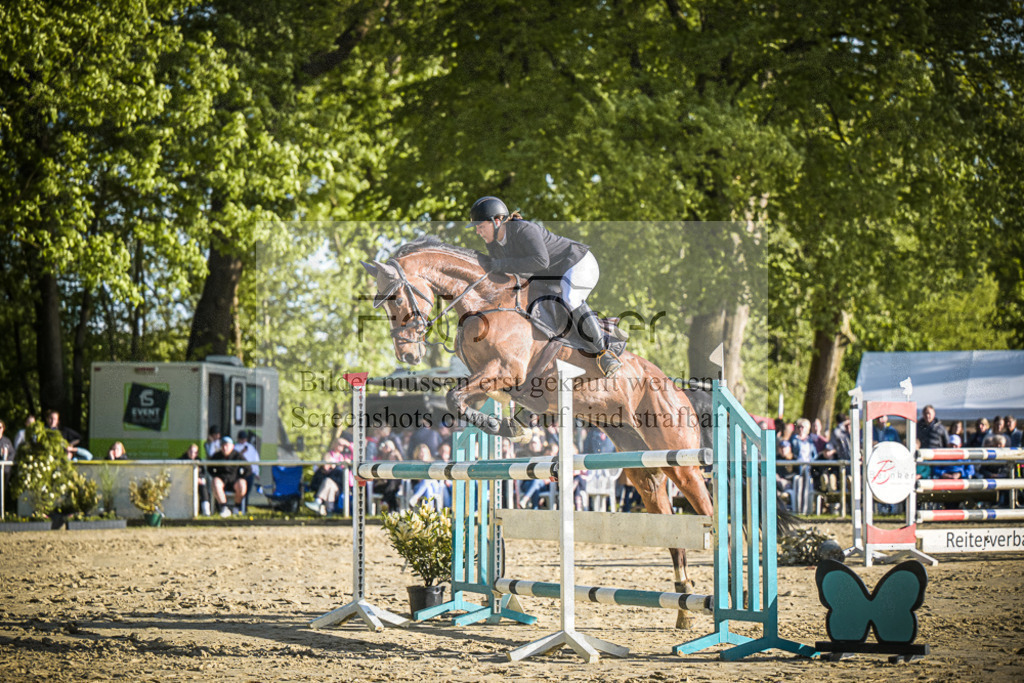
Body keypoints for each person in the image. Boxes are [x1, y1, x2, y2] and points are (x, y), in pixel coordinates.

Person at [469, 195, 622, 377]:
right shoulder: (494, 245)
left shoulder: (523, 229)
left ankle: (604, 353)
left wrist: (502, 265)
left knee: (571, 299)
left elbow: (541, 261)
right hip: (552, 277)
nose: (478, 231)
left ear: (497, 221)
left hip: (577, 263)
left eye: (480, 226)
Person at [306, 437, 354, 516]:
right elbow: (325, 467)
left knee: (328, 482)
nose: (341, 446)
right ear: (334, 444)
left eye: (342, 445)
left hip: (342, 485)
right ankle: (329, 511)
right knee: (330, 485)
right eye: (339, 444)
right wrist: (332, 464)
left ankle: (318, 502)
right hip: (328, 483)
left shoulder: (345, 456)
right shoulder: (329, 455)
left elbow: (356, 454)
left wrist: (348, 444)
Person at [207, 436, 250, 517]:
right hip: (222, 479)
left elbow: (248, 469)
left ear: (232, 446)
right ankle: (223, 508)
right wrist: (216, 476)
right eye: (223, 445)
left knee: (242, 484)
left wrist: (241, 477)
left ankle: (237, 507)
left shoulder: (238, 456)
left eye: (227, 445)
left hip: (234, 480)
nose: (224, 447)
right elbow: (209, 468)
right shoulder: (216, 456)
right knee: (215, 482)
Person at [180, 443, 212, 516]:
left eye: (195, 452)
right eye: (191, 451)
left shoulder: (199, 461)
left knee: (203, 488)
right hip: (184, 483)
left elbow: (203, 474)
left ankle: (206, 510)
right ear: (188, 451)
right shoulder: (182, 460)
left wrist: (199, 479)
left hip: (197, 483)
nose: (192, 454)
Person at [234, 430, 260, 511]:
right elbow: (234, 459)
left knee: (247, 491)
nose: (243, 441)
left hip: (249, 472)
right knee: (241, 490)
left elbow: (255, 460)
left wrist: (256, 472)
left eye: (244, 439)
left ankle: (244, 507)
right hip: (239, 473)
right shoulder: (235, 447)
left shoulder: (250, 448)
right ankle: (238, 507)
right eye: (241, 439)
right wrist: (241, 452)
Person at [0, 419, 14, 514]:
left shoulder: (7, 441)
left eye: (0, 427)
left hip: (4, 472)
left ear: (3, 428)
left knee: (2, 493)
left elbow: (12, 453)